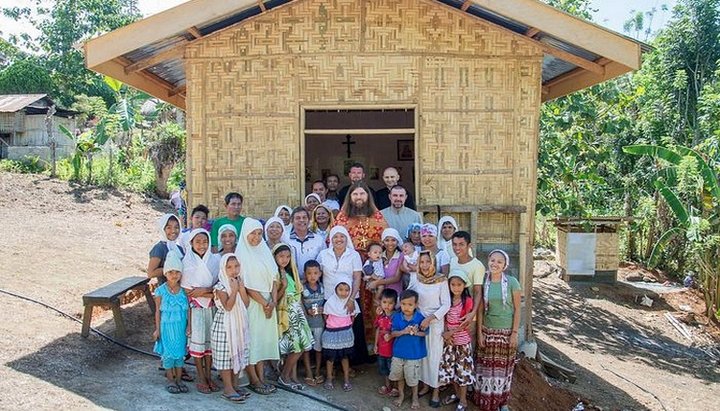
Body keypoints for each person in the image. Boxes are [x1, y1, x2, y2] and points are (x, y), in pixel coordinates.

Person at [235, 218, 280, 396]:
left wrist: (273, 302)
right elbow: (246, 285)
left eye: (259, 233)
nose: (256, 236)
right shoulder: (241, 255)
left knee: (261, 342)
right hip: (253, 305)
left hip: (269, 303)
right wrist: (265, 303)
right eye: (252, 233)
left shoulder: (264, 251)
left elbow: (274, 279)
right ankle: (254, 380)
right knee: (252, 342)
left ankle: (261, 377)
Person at [474, 250, 522, 411]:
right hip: (488, 331)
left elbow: (518, 309)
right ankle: (486, 401)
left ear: (505, 265)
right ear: (488, 261)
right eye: (492, 260)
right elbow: (480, 309)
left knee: (504, 370)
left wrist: (514, 333)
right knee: (486, 368)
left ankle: (502, 402)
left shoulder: (512, 282)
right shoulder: (483, 281)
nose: (495, 264)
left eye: (499, 262)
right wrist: (480, 333)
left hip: (506, 332)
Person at [317, 226, 366, 364]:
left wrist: (351, 299)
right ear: (331, 239)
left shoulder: (354, 255)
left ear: (347, 238)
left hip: (349, 298)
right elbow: (316, 273)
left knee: (350, 329)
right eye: (335, 237)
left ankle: (351, 364)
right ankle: (332, 365)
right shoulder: (323, 254)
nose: (339, 239)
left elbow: (357, 278)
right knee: (331, 330)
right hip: (329, 299)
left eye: (342, 236)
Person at [181, 228, 221, 394]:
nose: (202, 245)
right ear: (191, 243)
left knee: (210, 344)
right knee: (198, 344)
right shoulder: (186, 263)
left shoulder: (215, 260)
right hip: (195, 309)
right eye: (198, 242)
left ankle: (209, 375)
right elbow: (188, 291)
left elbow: (219, 286)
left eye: (205, 241)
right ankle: (201, 376)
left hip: (212, 307)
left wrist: (204, 290)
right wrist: (206, 292)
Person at [409, 251, 451, 408]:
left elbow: (446, 304)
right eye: (422, 262)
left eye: (428, 261)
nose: (425, 265)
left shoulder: (441, 280)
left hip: (435, 323)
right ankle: (425, 385)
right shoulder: (416, 278)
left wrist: (430, 319)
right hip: (419, 322)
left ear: (433, 263)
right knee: (422, 356)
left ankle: (436, 391)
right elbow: (408, 295)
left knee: (434, 357)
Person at [211, 253, 251, 403]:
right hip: (224, 325)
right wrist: (234, 291)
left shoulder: (240, 282)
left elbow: (246, 303)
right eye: (229, 267)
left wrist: (240, 288)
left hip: (239, 323)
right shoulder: (221, 287)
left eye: (236, 266)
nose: (234, 270)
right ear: (223, 268)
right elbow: (228, 306)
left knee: (237, 353)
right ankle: (228, 389)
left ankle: (235, 386)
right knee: (225, 357)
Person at [274, 243, 314, 390]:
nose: (284, 259)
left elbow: (298, 294)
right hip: (286, 312)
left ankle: (289, 375)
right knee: (296, 347)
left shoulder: (291, 273)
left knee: (301, 346)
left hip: (297, 312)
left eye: (287, 256)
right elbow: (275, 299)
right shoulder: (275, 274)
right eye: (281, 256)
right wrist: (283, 286)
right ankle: (284, 376)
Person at [152, 251, 190, 394]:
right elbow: (158, 311)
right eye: (171, 272)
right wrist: (157, 329)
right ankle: (170, 380)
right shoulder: (160, 291)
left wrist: (189, 326)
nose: (174, 275)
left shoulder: (184, 291)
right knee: (168, 354)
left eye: (177, 272)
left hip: (180, 327)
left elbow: (189, 310)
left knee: (179, 354)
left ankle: (179, 379)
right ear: (166, 273)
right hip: (166, 327)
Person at [439, 270, 476, 411]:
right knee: (451, 370)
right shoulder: (447, 300)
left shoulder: (467, 301)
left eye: (459, 284)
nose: (456, 288)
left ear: (464, 285)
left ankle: (463, 400)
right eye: (453, 284)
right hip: (450, 342)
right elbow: (444, 317)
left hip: (462, 343)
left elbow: (465, 323)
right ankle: (457, 394)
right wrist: (446, 334)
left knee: (463, 372)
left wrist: (450, 333)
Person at [389, 289, 427, 410]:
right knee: (399, 376)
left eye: (410, 304)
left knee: (413, 379)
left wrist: (416, 332)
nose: (406, 307)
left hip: (413, 355)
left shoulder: (420, 318)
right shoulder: (397, 317)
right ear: (400, 303)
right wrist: (403, 331)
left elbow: (425, 333)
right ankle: (401, 395)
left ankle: (415, 397)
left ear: (416, 305)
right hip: (398, 353)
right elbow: (393, 333)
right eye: (403, 304)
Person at [322, 281, 360, 392]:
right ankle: (329, 379)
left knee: (345, 357)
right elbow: (325, 316)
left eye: (347, 290)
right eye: (341, 289)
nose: (344, 293)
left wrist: (347, 327)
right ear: (335, 290)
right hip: (331, 333)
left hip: (345, 333)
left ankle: (346, 380)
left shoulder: (351, 302)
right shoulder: (330, 302)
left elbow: (353, 316)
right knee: (330, 358)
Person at [450, 231, 485, 335]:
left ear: (469, 245)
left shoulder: (477, 265)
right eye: (454, 244)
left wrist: (472, 314)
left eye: (461, 244)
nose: (457, 248)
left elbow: (478, 292)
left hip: (468, 312)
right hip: (453, 312)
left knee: (467, 341)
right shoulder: (452, 261)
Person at [282, 207, 326, 281]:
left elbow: (323, 262)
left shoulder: (319, 240)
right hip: (291, 282)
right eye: (298, 218)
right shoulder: (285, 239)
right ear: (292, 221)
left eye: (304, 217)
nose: (301, 220)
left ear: (309, 220)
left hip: (313, 283)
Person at [301, 260, 325, 386]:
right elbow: (299, 303)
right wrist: (307, 311)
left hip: (319, 324)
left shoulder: (323, 288)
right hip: (306, 324)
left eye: (315, 273)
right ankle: (308, 372)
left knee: (318, 349)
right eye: (309, 273)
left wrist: (323, 309)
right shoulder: (302, 289)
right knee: (306, 349)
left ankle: (318, 371)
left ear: (320, 274)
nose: (312, 276)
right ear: (305, 274)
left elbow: (327, 304)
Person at [148, 214, 185, 285]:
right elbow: (151, 273)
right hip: (166, 289)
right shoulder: (159, 248)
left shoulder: (179, 248)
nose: (173, 231)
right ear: (163, 229)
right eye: (169, 228)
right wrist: (172, 268)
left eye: (176, 227)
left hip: (180, 288)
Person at [374, 288, 398, 397]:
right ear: (380, 302)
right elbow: (378, 330)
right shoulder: (380, 316)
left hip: (392, 348)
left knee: (393, 368)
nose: (387, 305)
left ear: (395, 304)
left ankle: (395, 387)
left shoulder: (396, 316)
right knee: (383, 368)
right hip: (381, 348)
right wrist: (375, 345)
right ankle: (387, 385)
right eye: (384, 302)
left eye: (390, 303)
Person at [368, 228, 405, 297]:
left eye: (393, 240)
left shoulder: (401, 256)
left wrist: (377, 282)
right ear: (383, 242)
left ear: (397, 241)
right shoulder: (379, 256)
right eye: (387, 240)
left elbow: (397, 278)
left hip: (395, 295)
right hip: (379, 295)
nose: (390, 243)